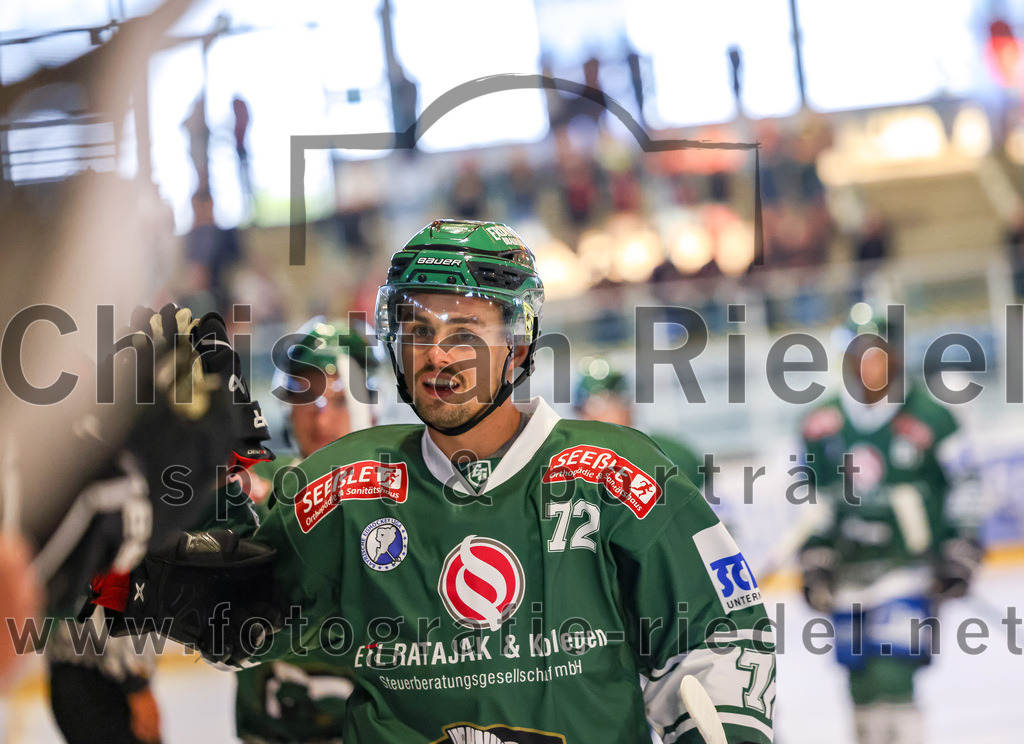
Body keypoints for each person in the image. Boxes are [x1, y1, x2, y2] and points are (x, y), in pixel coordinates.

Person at [112, 219, 776, 744]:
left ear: (518, 345)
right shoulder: (343, 487)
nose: (435, 354)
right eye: (416, 329)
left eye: (465, 331)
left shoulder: (619, 475)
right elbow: (240, 615)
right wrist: (182, 508)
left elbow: (718, 638)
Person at [798, 304, 984, 744]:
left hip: (909, 569)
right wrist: (814, 554)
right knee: (859, 682)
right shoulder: (821, 423)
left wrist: (962, 549)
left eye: (878, 354)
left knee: (893, 674)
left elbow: (967, 485)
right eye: (860, 354)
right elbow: (808, 496)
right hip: (848, 571)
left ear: (895, 356)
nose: (870, 365)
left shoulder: (933, 417)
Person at [232, 317, 377, 744]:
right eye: (305, 399)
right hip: (272, 729)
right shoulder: (256, 484)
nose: (321, 417)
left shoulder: (400, 492)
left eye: (338, 399)